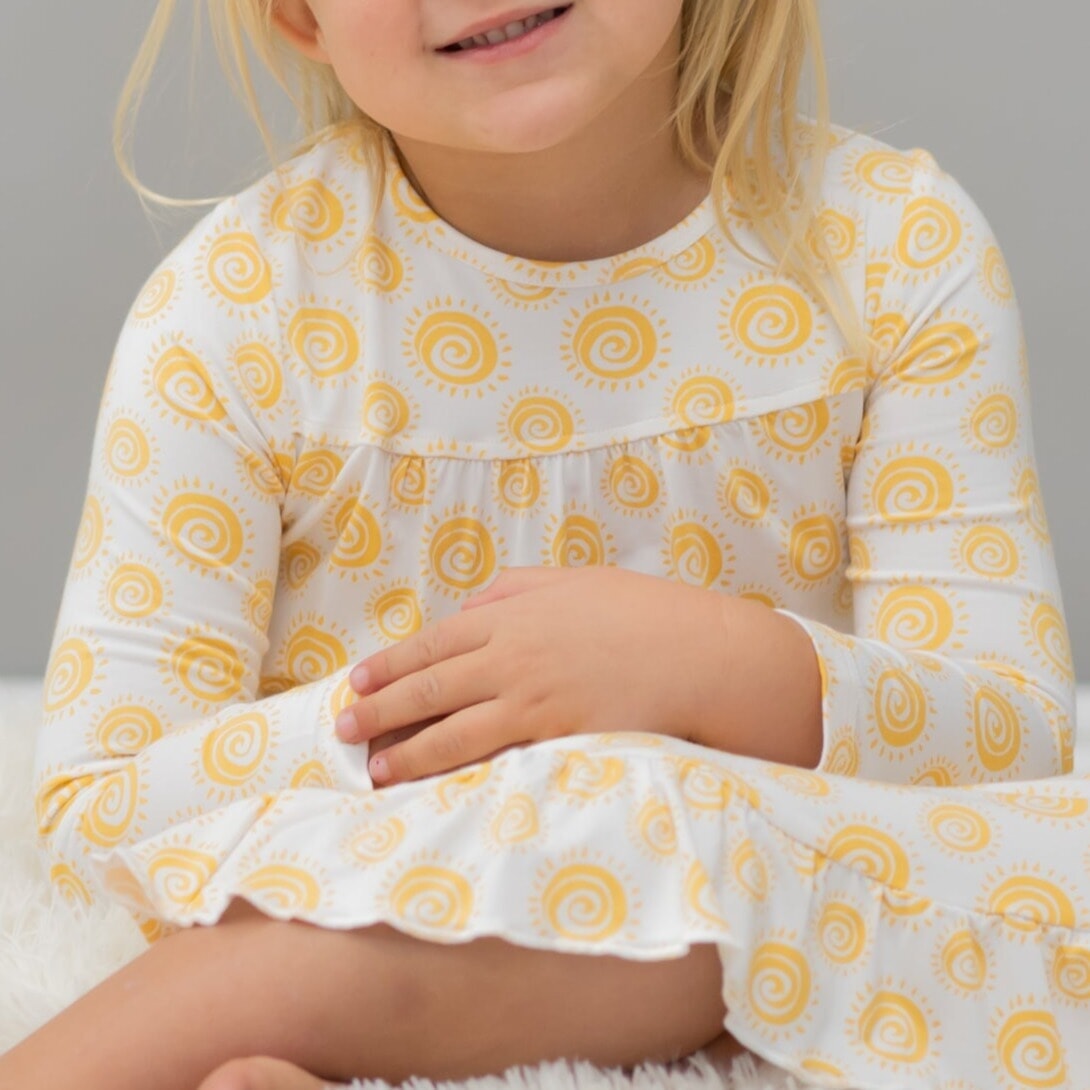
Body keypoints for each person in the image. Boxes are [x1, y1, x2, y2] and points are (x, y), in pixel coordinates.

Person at [4, 1, 1083, 1087]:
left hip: (761, 890)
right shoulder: (234, 314)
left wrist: (702, 670)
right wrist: (441, 723)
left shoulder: (892, 246)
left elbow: (1016, 740)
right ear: (298, 14)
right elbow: (95, 824)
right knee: (618, 817)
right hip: (387, 894)